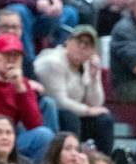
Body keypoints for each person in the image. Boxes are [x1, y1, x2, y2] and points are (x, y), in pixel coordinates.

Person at [0, 34, 54, 164]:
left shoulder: (22, 83)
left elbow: (34, 124)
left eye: (16, 56)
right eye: (6, 55)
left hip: (9, 139)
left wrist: (20, 89)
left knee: (44, 135)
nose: (11, 60)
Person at [34, 25, 114, 154]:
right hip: (48, 115)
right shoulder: (53, 62)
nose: (82, 47)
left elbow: (96, 103)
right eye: (79, 41)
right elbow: (60, 102)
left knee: (104, 120)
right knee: (69, 117)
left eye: (87, 44)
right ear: (67, 42)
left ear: (93, 51)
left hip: (75, 114)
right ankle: (71, 161)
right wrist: (88, 110)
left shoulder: (88, 64)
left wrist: (94, 78)